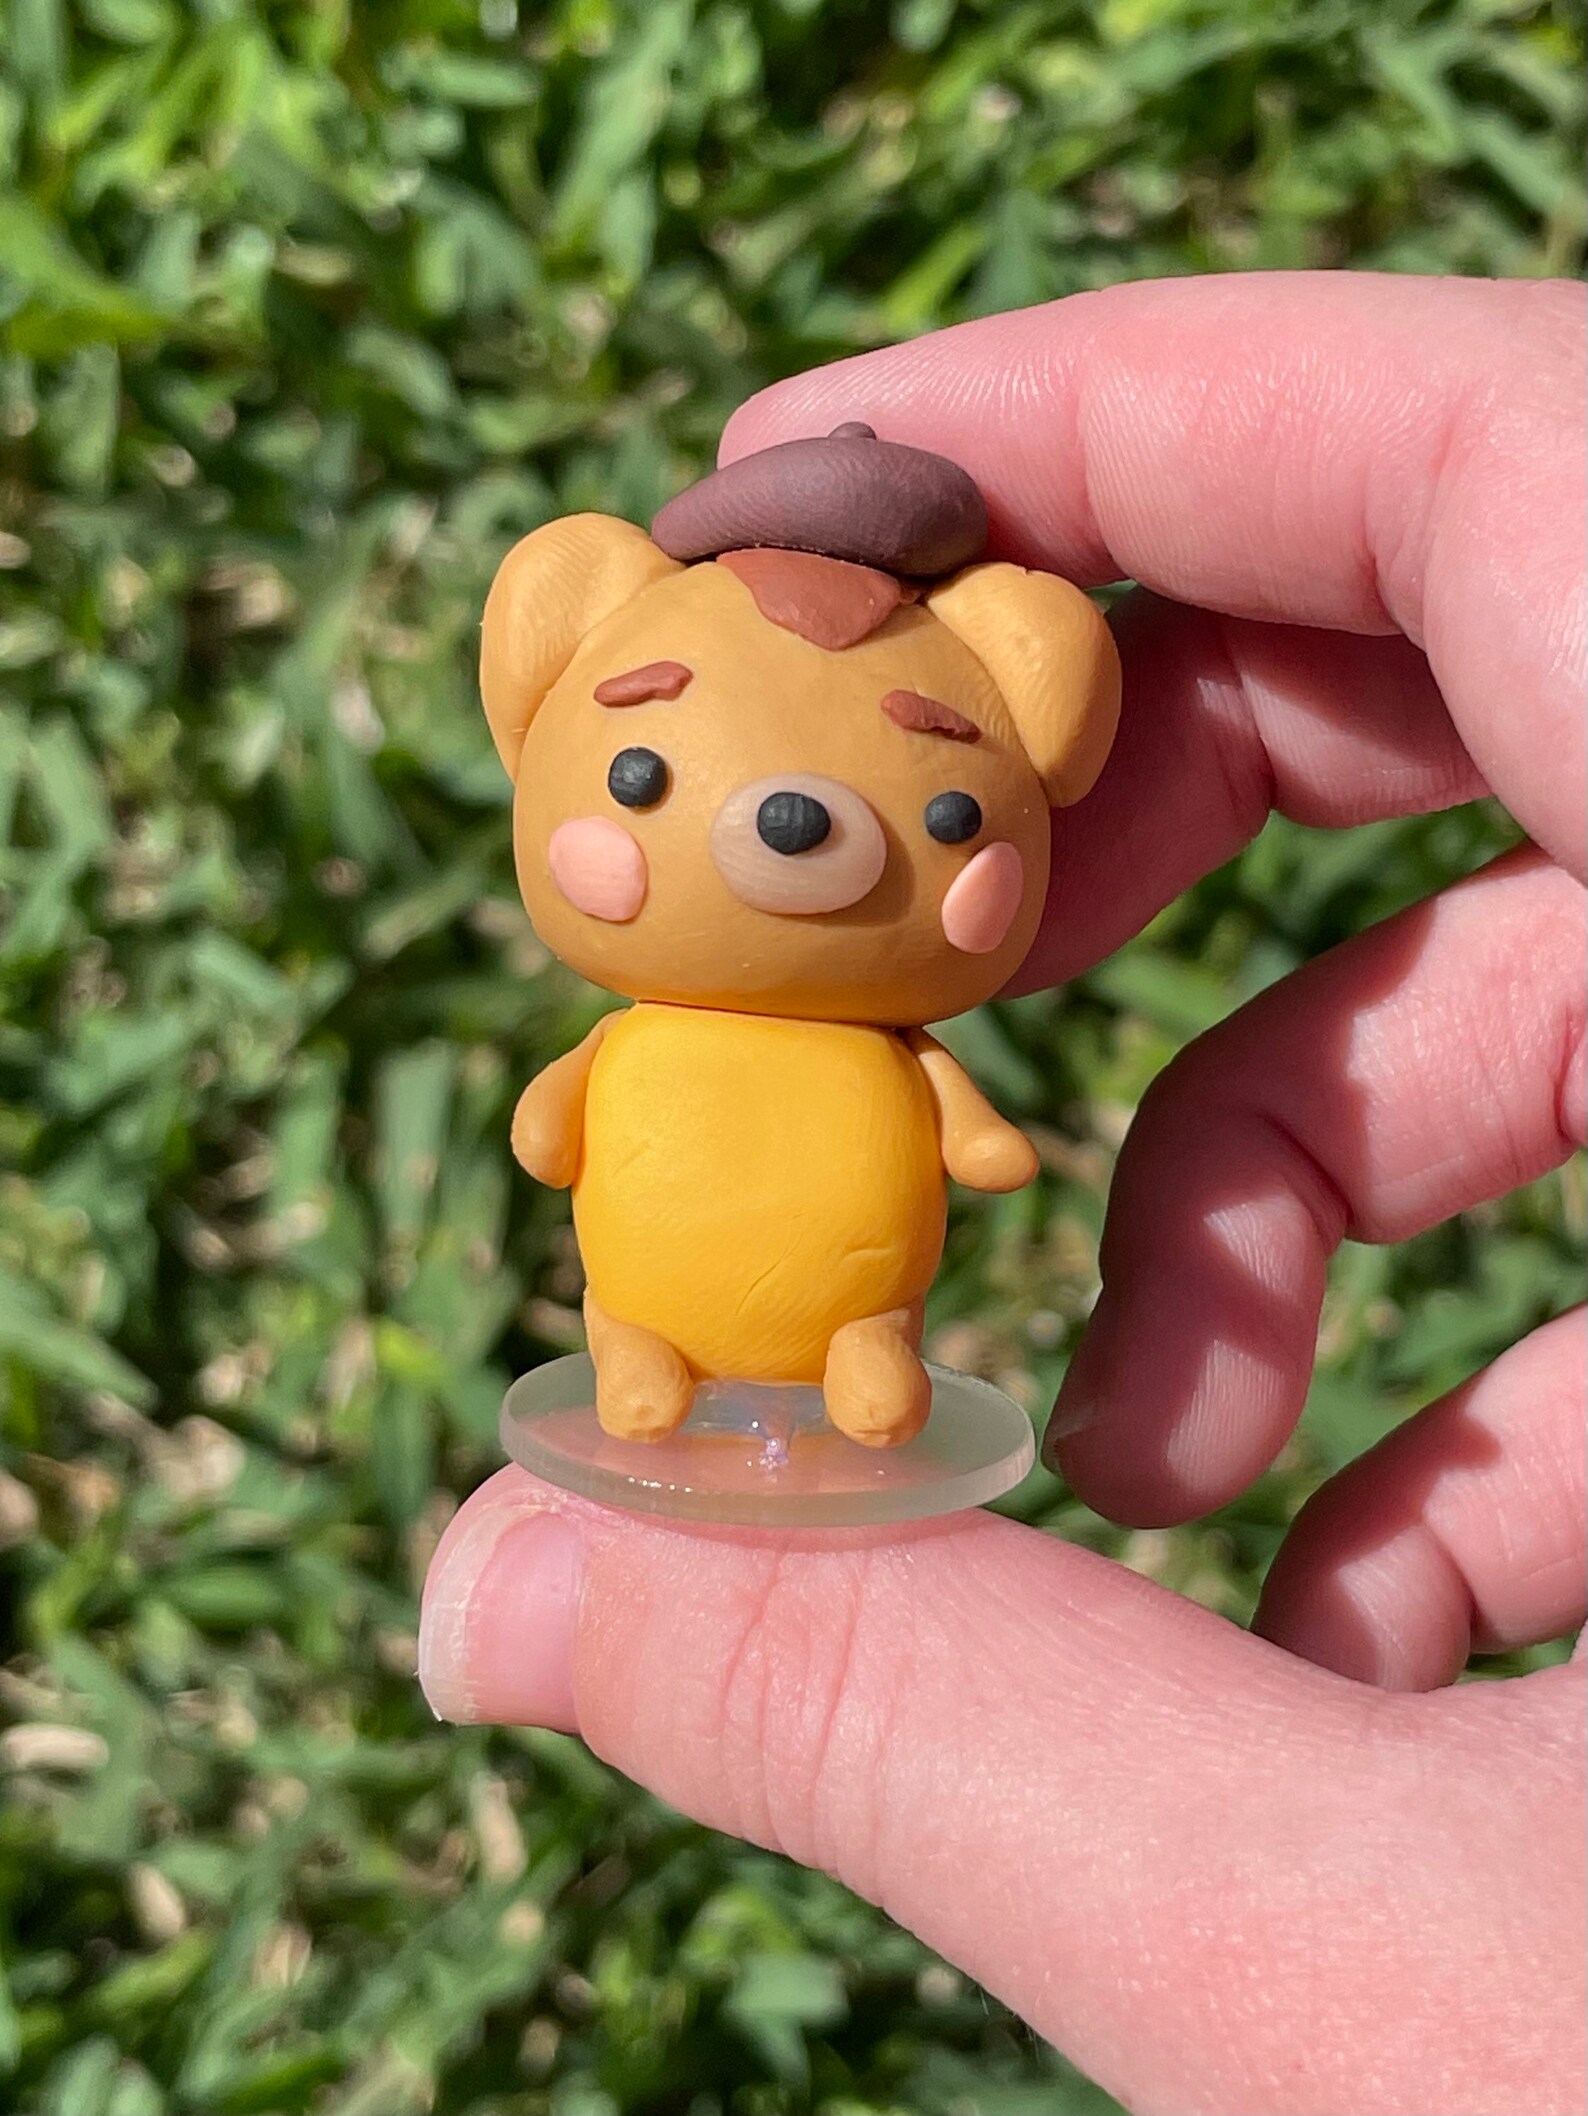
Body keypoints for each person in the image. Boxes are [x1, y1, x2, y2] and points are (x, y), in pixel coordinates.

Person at [417, 274, 1586, 2116]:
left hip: (855, 1309)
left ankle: (863, 1345)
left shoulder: (890, 1047)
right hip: (652, 1304)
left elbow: (957, 1132)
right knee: (641, 1339)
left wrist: (955, 1132)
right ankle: (640, 1347)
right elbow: (559, 1124)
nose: (792, 830)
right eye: (641, 770)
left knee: (865, 1347)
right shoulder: (648, 1034)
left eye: (946, 809)